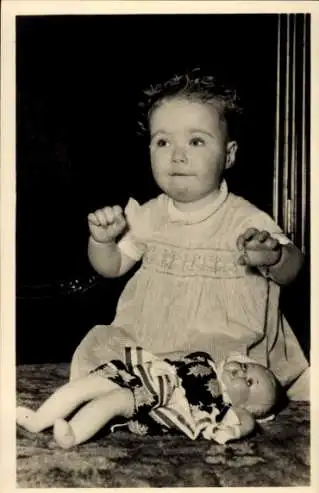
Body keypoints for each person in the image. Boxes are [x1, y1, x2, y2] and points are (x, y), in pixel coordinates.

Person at [69, 68, 309, 401]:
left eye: (196, 141)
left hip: (226, 343)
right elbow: (111, 267)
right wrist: (102, 241)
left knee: (229, 389)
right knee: (108, 368)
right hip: (151, 338)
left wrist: (274, 257)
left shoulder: (246, 219)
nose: (177, 155)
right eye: (163, 141)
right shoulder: (149, 215)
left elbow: (295, 269)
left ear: (229, 155)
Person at [16, 350, 283, 448]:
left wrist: (244, 421)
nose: (242, 371)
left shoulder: (221, 406)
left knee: (113, 401)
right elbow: (177, 356)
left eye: (248, 382)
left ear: (243, 406)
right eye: (247, 367)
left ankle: (73, 434)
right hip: (143, 372)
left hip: (157, 398)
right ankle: (38, 420)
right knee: (84, 386)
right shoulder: (209, 361)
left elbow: (246, 423)